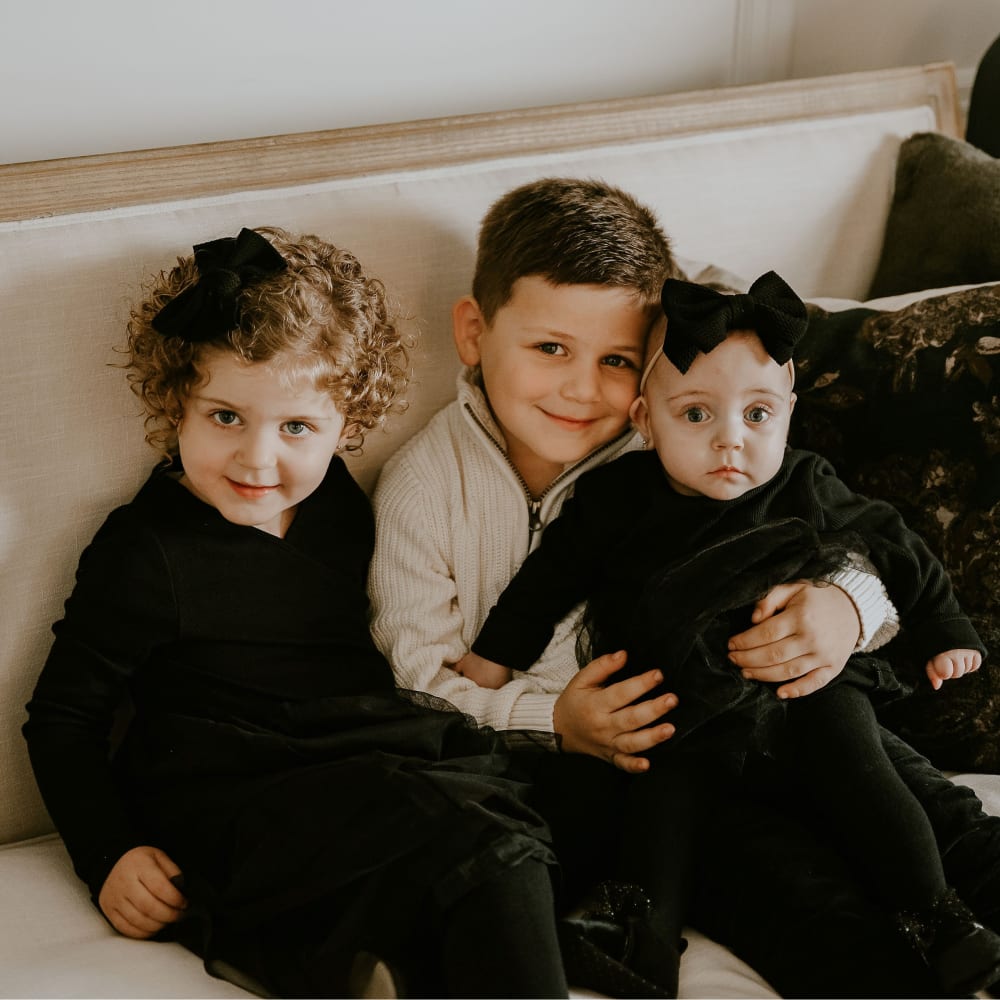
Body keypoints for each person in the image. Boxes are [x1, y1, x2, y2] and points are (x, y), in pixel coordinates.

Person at [369, 177, 1000, 998]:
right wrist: (551, 717)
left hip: (798, 708)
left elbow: (838, 531)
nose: (583, 388)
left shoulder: (683, 437)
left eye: (617, 361)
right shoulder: (424, 485)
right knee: (807, 903)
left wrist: (846, 609)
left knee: (942, 819)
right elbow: (420, 682)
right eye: (550, 348)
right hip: (652, 765)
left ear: (645, 388)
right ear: (473, 332)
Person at [22, 226, 570, 1000]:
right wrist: (108, 852)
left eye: (296, 428)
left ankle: (402, 964)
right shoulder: (147, 550)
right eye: (224, 417)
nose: (257, 459)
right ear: (177, 400)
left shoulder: (338, 504)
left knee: (505, 831)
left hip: (352, 750)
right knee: (473, 832)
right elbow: (61, 718)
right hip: (232, 786)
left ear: (346, 429)